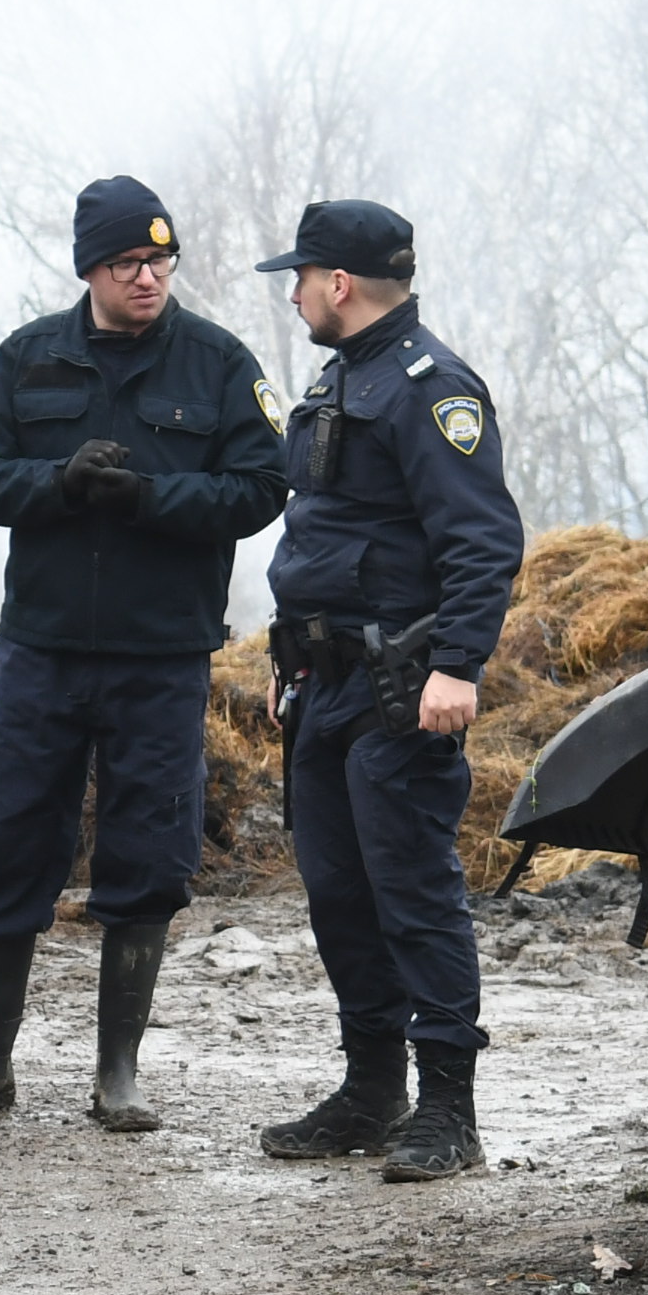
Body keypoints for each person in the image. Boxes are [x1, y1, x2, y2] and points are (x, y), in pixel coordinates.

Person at [0, 177, 287, 1127]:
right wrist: (59, 483)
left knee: (149, 851)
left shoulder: (217, 363)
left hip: (160, 657)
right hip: (43, 651)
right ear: (90, 267)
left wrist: (150, 497)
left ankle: (116, 1074)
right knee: (7, 844)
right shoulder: (29, 356)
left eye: (161, 262)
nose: (149, 278)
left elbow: (260, 487)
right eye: (129, 263)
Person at [248, 198, 525, 1181]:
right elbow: (323, 534)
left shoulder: (429, 385)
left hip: (400, 686)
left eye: (301, 277)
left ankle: (448, 1107)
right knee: (339, 896)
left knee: (412, 895)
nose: (292, 295)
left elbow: (481, 537)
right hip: (322, 683)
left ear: (339, 284)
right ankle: (371, 1090)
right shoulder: (342, 378)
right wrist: (287, 655)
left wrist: (458, 665)